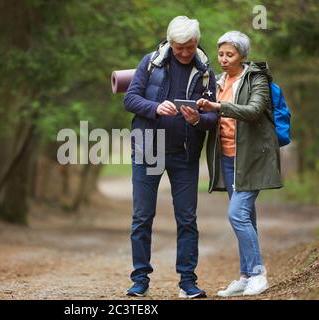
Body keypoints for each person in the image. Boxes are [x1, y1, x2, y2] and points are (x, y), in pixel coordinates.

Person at [123, 16, 218, 298]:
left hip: (184, 155)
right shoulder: (150, 62)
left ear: (196, 42)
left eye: (189, 47)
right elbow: (130, 99)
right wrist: (155, 107)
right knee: (142, 217)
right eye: (179, 48)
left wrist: (197, 119)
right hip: (148, 150)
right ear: (170, 42)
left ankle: (188, 282)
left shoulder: (205, 71)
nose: (185, 53)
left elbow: (214, 116)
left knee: (187, 220)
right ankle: (140, 279)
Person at [197, 31, 283, 297]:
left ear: (242, 56)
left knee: (237, 214)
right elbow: (214, 116)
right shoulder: (218, 80)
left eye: (229, 54)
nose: (223, 59)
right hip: (228, 157)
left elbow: (255, 110)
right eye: (220, 54)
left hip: (252, 156)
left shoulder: (256, 78)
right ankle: (245, 276)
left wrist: (219, 107)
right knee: (246, 217)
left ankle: (258, 273)